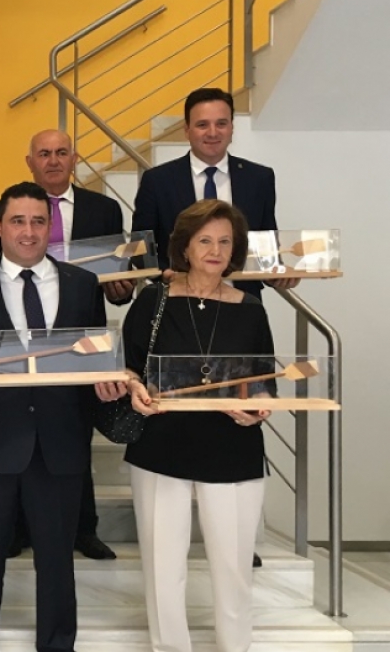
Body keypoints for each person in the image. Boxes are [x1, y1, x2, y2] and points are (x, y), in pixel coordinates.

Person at [0, 181, 126, 652]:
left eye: (39, 221)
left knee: (58, 564)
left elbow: (93, 358)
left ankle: (58, 645)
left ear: (50, 228)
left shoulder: (82, 284)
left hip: (59, 446)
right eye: (18, 221)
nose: (28, 231)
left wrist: (105, 381)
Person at [124, 199, 274, 652]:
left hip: (232, 447)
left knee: (233, 568)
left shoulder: (251, 308)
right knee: (162, 568)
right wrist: (134, 388)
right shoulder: (154, 299)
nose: (215, 250)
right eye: (205, 240)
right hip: (161, 443)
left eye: (225, 242)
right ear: (185, 248)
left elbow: (263, 381)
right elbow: (128, 367)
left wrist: (259, 406)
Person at [0, 129, 127, 560]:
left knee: (74, 437)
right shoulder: (0, 210)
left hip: (79, 336)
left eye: (62, 152)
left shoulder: (104, 209)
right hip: (19, 338)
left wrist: (123, 289)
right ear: (30, 161)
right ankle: (18, 528)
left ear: (75, 158)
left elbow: (120, 276)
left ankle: (83, 528)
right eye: (44, 153)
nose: (53, 160)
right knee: (18, 439)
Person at [132, 87, 298, 295]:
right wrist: (165, 274)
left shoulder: (259, 178)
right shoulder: (157, 181)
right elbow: (140, 248)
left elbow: (266, 246)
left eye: (221, 123)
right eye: (202, 125)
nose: (212, 133)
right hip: (178, 299)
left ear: (232, 128)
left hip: (241, 301)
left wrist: (277, 274)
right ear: (187, 130)